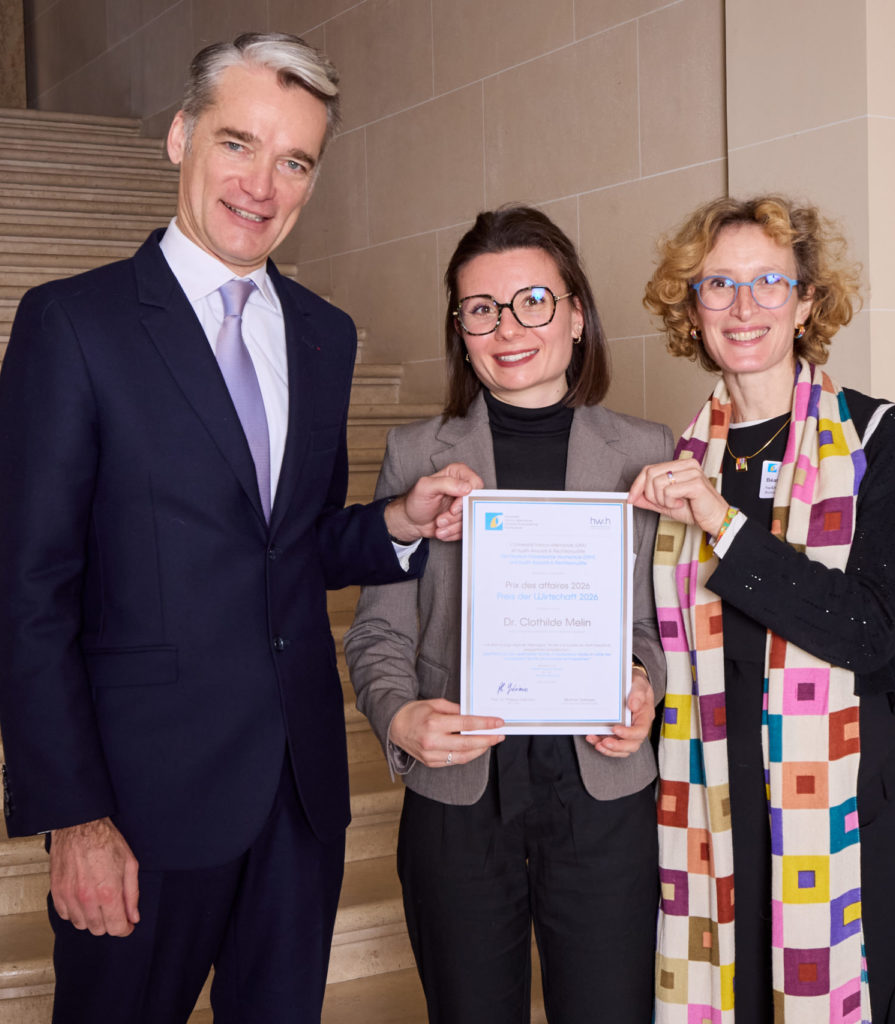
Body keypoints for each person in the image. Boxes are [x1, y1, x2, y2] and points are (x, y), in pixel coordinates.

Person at [0, 33, 479, 1024]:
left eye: (294, 161)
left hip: (297, 796)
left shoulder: (323, 334)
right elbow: (29, 593)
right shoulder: (72, 324)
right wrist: (74, 815)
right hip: (140, 805)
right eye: (239, 144)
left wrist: (395, 522)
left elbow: (289, 545)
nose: (262, 185)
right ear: (182, 137)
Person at [628, 195, 895, 1024]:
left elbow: (867, 628)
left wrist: (722, 523)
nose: (744, 307)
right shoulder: (675, 461)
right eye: (718, 284)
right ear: (691, 307)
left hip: (863, 805)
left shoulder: (887, 439)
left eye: (770, 282)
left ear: (807, 301)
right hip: (716, 806)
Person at [344, 206, 673, 1024]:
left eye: (532, 301)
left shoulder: (645, 452)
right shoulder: (416, 454)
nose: (508, 328)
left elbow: (654, 624)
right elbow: (379, 630)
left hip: (601, 791)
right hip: (460, 794)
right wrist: (400, 717)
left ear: (576, 314)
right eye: (481, 309)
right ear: (460, 331)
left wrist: (643, 684)